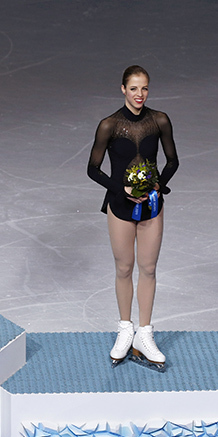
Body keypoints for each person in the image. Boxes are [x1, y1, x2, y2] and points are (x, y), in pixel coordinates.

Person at [87, 66, 178, 371]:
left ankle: (145, 334)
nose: (140, 95)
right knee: (124, 267)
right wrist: (123, 189)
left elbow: (172, 160)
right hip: (120, 206)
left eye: (145, 89)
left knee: (149, 269)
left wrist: (157, 185)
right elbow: (93, 169)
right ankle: (125, 330)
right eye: (134, 89)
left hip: (152, 205)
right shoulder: (109, 125)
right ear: (123, 89)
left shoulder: (159, 120)